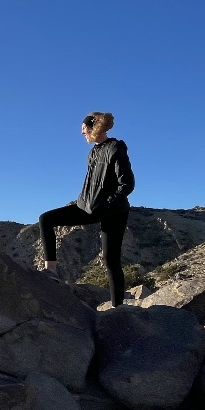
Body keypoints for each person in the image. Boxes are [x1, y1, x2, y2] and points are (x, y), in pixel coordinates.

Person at [37, 111, 135, 306]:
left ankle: (118, 308)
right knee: (46, 219)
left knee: (111, 261)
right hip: (89, 207)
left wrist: (107, 204)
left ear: (94, 128)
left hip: (114, 211)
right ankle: (51, 271)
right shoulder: (93, 152)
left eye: (84, 129)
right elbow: (91, 184)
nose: (82, 134)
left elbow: (127, 184)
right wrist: (84, 202)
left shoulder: (115, 148)